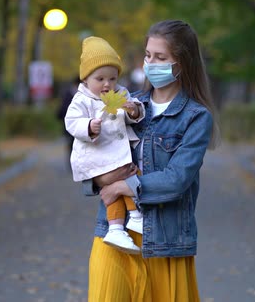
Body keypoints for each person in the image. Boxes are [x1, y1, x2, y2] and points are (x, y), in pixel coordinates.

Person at [82, 20, 221, 301]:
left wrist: (122, 186)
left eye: (160, 57)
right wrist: (100, 179)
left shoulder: (196, 117)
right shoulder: (128, 104)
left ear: (182, 63)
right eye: (148, 55)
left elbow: (176, 180)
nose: (150, 63)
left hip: (165, 240)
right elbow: (90, 154)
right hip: (114, 233)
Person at [65, 36, 146, 254]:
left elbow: (130, 116)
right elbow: (71, 122)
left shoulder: (120, 93)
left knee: (121, 184)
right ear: (86, 80)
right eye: (100, 78)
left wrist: (134, 111)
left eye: (112, 77)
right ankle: (134, 217)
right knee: (129, 176)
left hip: (117, 154)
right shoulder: (82, 100)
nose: (107, 84)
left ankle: (117, 228)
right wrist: (89, 126)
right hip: (97, 155)